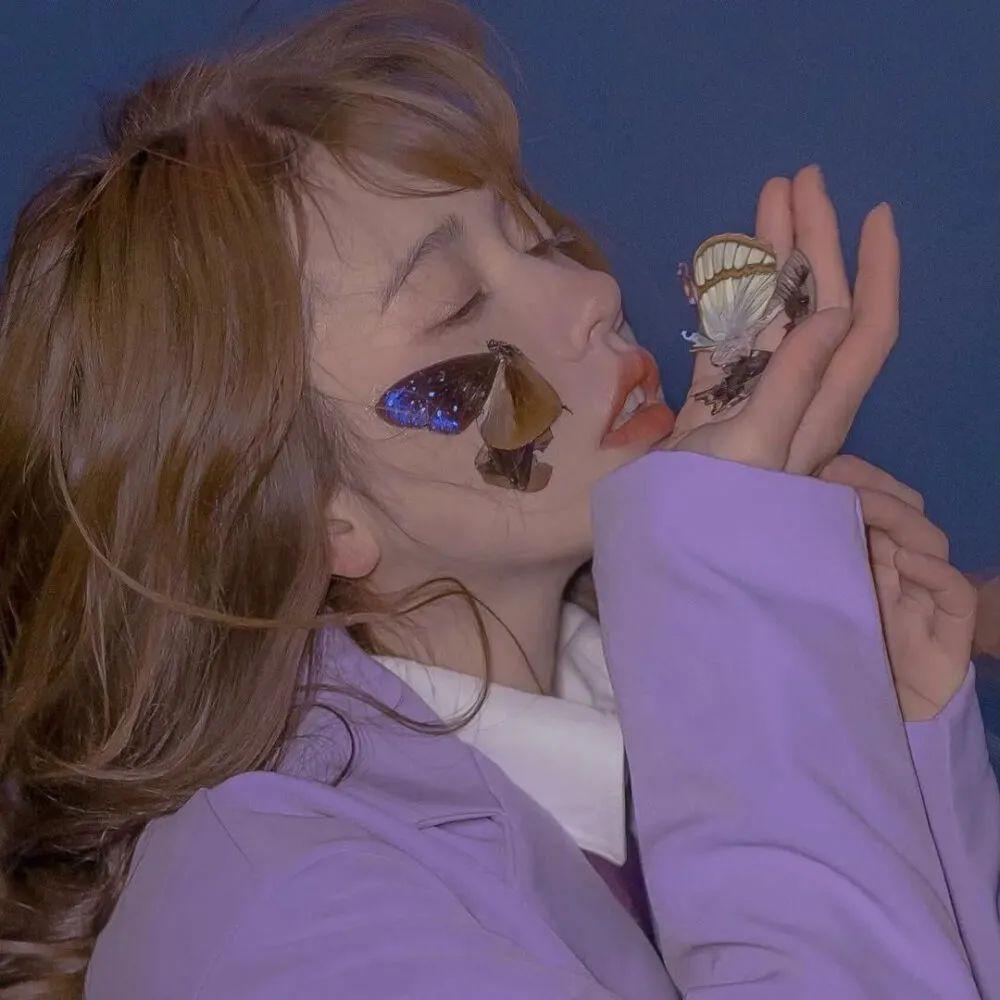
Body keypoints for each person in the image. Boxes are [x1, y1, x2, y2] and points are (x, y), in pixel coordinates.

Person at [0, 1, 997, 997]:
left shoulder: (652, 715)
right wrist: (735, 608)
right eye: (457, 304)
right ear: (307, 511)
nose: (596, 294)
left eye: (541, 241)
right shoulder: (285, 917)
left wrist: (873, 738)